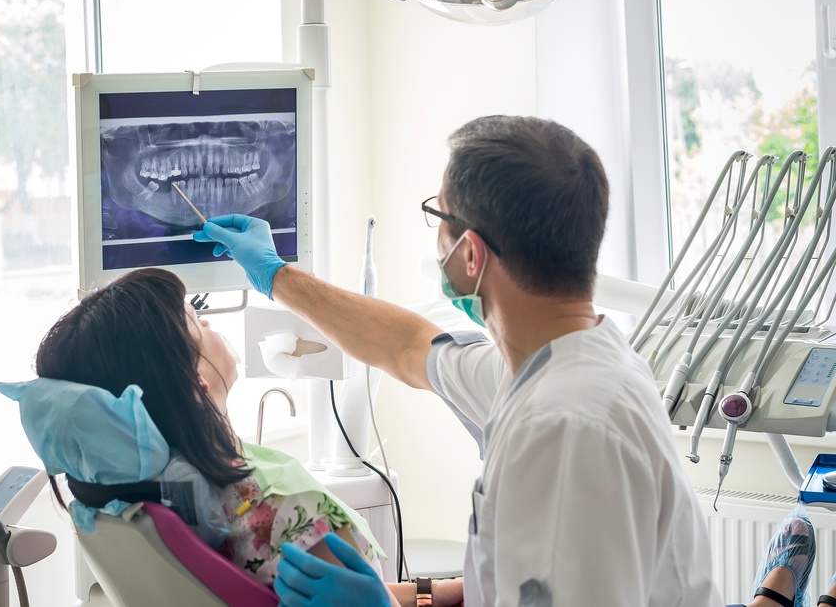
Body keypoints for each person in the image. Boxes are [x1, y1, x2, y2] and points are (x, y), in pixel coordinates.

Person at [192, 115, 731, 606]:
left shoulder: (562, 431)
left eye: (438, 216)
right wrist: (275, 274)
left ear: (471, 254)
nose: (436, 234)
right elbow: (404, 346)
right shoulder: (552, 364)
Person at [5, 267, 464, 607]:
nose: (209, 326)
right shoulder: (278, 510)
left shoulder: (141, 502)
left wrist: (437, 593)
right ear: (194, 379)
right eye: (196, 322)